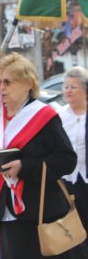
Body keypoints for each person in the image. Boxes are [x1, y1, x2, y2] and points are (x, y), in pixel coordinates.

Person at [0, 53, 81, 259]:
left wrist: (24, 166)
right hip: (7, 216)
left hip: (41, 215)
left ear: (28, 83)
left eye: (8, 82)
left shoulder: (43, 116)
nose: (2, 88)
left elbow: (67, 160)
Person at [59, 66, 88, 241]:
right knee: (73, 227)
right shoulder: (60, 116)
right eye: (66, 86)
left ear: (85, 89)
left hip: (86, 177)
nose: (68, 91)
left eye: (73, 87)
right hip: (67, 180)